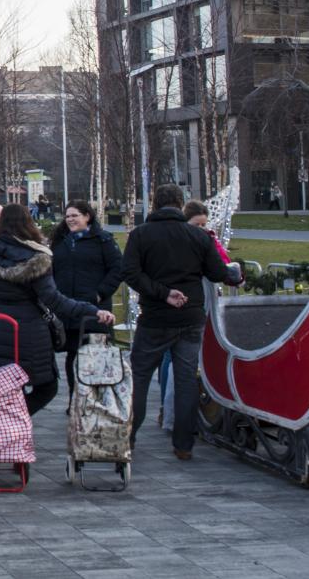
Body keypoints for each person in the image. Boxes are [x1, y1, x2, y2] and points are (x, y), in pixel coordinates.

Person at [121, 184, 239, 461]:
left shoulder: (141, 235)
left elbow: (129, 273)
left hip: (154, 317)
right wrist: (234, 274)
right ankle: (184, 444)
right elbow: (216, 272)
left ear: (155, 203)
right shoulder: (198, 236)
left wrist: (162, 293)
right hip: (191, 316)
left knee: (139, 377)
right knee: (186, 380)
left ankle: (128, 437)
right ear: (179, 204)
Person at [0, 204, 114, 416]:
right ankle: (15, 420)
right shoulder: (37, 257)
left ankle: (6, 428)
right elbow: (54, 300)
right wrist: (91, 310)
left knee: (6, 387)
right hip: (31, 331)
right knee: (46, 387)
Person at [47, 201, 123, 398]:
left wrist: (101, 292)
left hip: (94, 309)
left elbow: (118, 268)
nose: (70, 219)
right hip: (68, 309)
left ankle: (94, 399)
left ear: (87, 216)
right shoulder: (60, 241)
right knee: (72, 355)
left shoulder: (103, 240)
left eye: (75, 215)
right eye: (68, 216)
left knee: (93, 355)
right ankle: (75, 400)